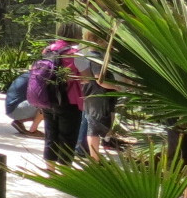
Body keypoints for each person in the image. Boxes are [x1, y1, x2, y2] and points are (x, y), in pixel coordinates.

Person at [29, 37, 83, 169]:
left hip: (48, 98)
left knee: (50, 134)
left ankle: (50, 169)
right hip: (69, 100)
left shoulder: (48, 50)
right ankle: (64, 173)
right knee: (68, 137)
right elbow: (78, 77)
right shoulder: (74, 53)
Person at [73, 35, 120, 159]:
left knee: (91, 124)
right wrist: (116, 87)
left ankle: (90, 154)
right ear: (98, 41)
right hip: (98, 96)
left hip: (91, 95)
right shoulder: (96, 59)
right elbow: (100, 80)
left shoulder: (87, 56)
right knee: (94, 127)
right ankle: (94, 158)